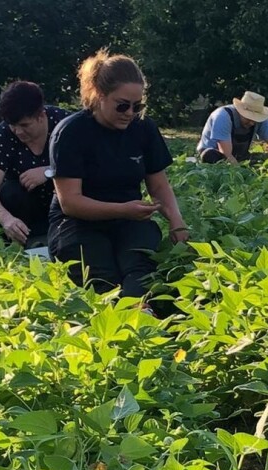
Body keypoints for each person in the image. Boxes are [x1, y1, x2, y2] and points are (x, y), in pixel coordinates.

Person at [47, 50, 189, 299]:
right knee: (102, 280)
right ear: (99, 96)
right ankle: (129, 318)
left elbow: (159, 186)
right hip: (78, 224)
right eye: (122, 105)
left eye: (138, 106)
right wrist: (123, 209)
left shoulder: (144, 129)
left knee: (142, 271)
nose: (130, 112)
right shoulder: (71, 132)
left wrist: (177, 222)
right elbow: (70, 202)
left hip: (130, 221)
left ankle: (138, 312)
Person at [0, 81, 70, 246]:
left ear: (41, 116)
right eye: (13, 126)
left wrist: (50, 171)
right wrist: (6, 219)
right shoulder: (3, 135)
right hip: (26, 209)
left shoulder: (65, 125)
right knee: (10, 191)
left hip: (65, 204)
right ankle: (19, 244)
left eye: (24, 125)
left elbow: (93, 166)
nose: (18, 132)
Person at [196, 91, 268, 164]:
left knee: (262, 158)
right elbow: (226, 154)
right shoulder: (223, 117)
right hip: (216, 154)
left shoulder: (261, 120)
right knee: (211, 156)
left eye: (255, 119)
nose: (252, 123)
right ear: (240, 111)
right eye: (248, 118)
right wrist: (241, 173)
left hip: (239, 156)